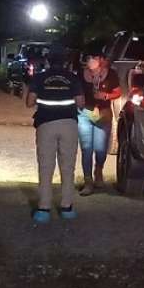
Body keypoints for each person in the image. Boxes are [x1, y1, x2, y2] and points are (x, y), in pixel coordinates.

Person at [26, 47, 85, 223]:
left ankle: (44, 208)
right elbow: (81, 103)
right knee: (68, 166)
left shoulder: (39, 78)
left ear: (48, 61)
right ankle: (67, 207)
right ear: (66, 62)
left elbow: (29, 102)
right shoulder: (73, 78)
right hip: (69, 123)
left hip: (45, 124)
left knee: (45, 166)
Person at [77, 51, 121, 195]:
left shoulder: (111, 74)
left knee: (101, 149)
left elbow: (118, 92)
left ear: (101, 59)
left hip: (103, 113)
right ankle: (88, 181)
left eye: (94, 57)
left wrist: (106, 95)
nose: (91, 60)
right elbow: (76, 91)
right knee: (86, 148)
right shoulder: (81, 73)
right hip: (84, 113)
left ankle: (99, 169)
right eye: (89, 57)